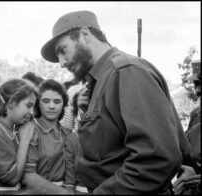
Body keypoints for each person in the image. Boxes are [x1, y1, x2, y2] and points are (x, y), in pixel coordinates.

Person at [41, 10, 191, 194]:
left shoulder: (126, 72)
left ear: (85, 35)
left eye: (63, 50)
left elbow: (156, 159)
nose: (62, 63)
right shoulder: (101, 81)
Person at [0, 79, 38, 193]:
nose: (32, 112)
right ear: (11, 103)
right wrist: (24, 141)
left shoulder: (12, 129)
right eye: (28, 105)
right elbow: (12, 178)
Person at [21, 79, 71, 194]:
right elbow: (27, 176)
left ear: (64, 104)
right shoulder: (30, 130)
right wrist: (64, 193)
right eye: (46, 101)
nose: (51, 106)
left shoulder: (67, 133)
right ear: (38, 103)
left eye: (57, 101)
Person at [173, 60, 201, 195]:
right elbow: (185, 154)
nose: (197, 90)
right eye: (196, 84)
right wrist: (186, 171)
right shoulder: (196, 117)